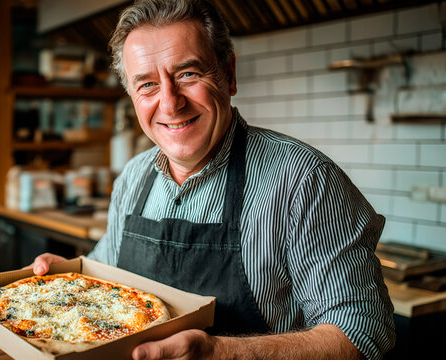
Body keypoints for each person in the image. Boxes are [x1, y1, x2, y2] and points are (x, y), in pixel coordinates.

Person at [27, 0, 395, 359]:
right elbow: (108, 271)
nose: (170, 103)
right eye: (148, 85)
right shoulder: (133, 177)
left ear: (229, 74)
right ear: (132, 96)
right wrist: (68, 279)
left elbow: (363, 334)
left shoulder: (303, 181)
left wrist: (224, 353)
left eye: (188, 74)